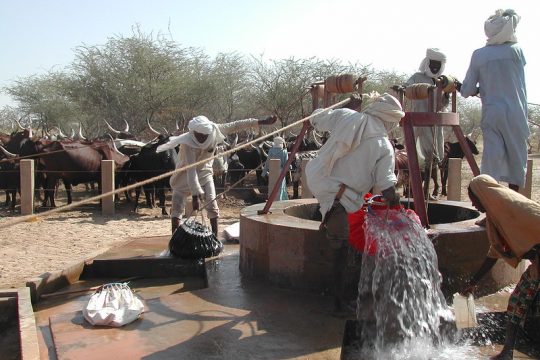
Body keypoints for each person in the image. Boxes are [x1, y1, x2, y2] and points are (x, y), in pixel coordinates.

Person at [305, 93, 403, 314]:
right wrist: (399, 206)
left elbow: (317, 119)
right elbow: (386, 187)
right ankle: (338, 304)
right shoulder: (384, 146)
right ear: (389, 120)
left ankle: (325, 217)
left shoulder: (348, 116)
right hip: (338, 195)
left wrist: (348, 106)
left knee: (346, 224)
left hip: (319, 180)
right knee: (341, 250)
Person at [157, 115, 277, 236]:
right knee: (177, 207)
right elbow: (191, 170)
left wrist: (262, 122)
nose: (203, 138)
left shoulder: (216, 129)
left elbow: (237, 125)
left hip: (205, 173)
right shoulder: (188, 142)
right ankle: (174, 237)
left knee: (212, 204)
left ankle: (214, 236)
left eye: (205, 135)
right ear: (193, 132)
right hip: (183, 174)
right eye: (200, 135)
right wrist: (195, 196)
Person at [462, 174, 540, 360]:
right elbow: (495, 252)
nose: (473, 205)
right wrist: (473, 282)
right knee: (516, 304)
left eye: (474, 200)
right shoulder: (497, 217)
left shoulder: (516, 208)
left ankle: (508, 352)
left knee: (522, 304)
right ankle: (508, 352)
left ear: (484, 195)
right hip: (537, 267)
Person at [457, 9, 529, 192]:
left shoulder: (479, 54)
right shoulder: (517, 51)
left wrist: (458, 86)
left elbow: (468, 90)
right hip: (516, 114)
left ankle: (491, 215)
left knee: (491, 163)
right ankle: (512, 210)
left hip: (493, 114)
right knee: (516, 161)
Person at [405, 48, 448, 199]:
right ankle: (416, 192)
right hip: (419, 123)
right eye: (432, 64)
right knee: (416, 158)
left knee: (434, 159)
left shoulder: (442, 81)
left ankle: (426, 192)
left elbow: (441, 104)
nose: (435, 68)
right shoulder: (417, 77)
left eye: (438, 65)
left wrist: (446, 95)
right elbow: (407, 89)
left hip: (434, 124)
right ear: (427, 63)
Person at [262, 136, 289, 201]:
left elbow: (267, 162)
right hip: (281, 172)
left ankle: (271, 200)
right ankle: (280, 201)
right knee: (280, 187)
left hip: (272, 172)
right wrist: (289, 168)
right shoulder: (284, 151)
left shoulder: (271, 150)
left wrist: (264, 172)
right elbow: (286, 163)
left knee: (272, 186)